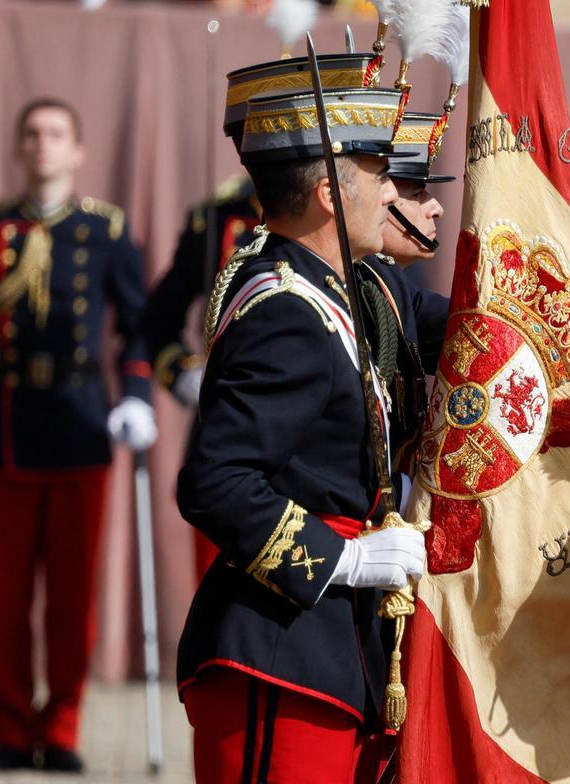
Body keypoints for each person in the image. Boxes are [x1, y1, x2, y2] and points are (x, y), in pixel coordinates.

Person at [174, 75, 427, 780]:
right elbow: (215, 482)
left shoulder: (337, 290)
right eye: (378, 175)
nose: (390, 192)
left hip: (330, 645)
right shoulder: (287, 309)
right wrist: (341, 561)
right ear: (328, 195)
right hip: (278, 651)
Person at [0, 97, 156, 772]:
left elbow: (137, 326)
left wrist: (135, 394)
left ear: (77, 151)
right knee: (8, 597)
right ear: (19, 148)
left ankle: (66, 727)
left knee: (73, 599)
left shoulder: (106, 231)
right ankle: (13, 730)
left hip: (82, 421)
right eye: (31, 133)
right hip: (8, 426)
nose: (42, 144)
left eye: (55, 133)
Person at [141, 175, 261, 577]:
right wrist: (181, 371)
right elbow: (160, 316)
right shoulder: (216, 220)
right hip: (228, 424)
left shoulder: (347, 216)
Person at [355, 111, 452, 472]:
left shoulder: (387, 280)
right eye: (417, 192)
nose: (436, 208)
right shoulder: (355, 278)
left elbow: (465, 325)